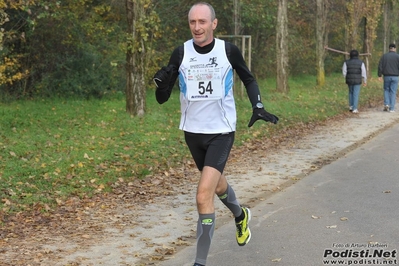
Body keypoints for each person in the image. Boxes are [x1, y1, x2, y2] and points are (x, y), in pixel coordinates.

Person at [153, 2, 278, 266]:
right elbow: (162, 98)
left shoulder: (228, 50)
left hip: (221, 131)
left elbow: (248, 78)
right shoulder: (181, 53)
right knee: (217, 183)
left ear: (214, 23)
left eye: (202, 22)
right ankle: (240, 214)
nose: (197, 27)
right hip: (192, 133)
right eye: (192, 22)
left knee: (202, 195)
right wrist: (161, 85)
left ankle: (200, 262)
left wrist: (257, 105)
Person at [378, 43, 399, 112]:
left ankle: (386, 104)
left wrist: (379, 75)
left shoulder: (384, 56)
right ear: (395, 49)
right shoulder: (398, 56)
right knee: (393, 92)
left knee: (386, 90)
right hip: (395, 76)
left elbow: (380, 66)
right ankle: (392, 108)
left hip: (386, 76)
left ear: (389, 48)